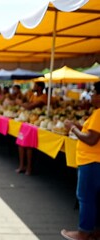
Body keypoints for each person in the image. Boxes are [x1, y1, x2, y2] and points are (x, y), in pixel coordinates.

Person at [61, 81, 100, 240]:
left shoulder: (99, 114)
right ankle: (94, 230)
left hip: (91, 161)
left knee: (86, 196)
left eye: (93, 93)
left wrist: (72, 127)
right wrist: (78, 126)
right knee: (94, 198)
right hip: (94, 161)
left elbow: (91, 139)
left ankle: (83, 232)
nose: (90, 96)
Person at [16, 81, 48, 175]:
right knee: (21, 143)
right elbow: (28, 103)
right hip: (29, 121)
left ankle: (28, 168)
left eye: (35, 85)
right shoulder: (33, 95)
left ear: (39, 87)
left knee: (28, 145)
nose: (33, 87)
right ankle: (22, 166)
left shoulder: (43, 97)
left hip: (37, 123)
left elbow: (29, 107)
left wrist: (19, 103)